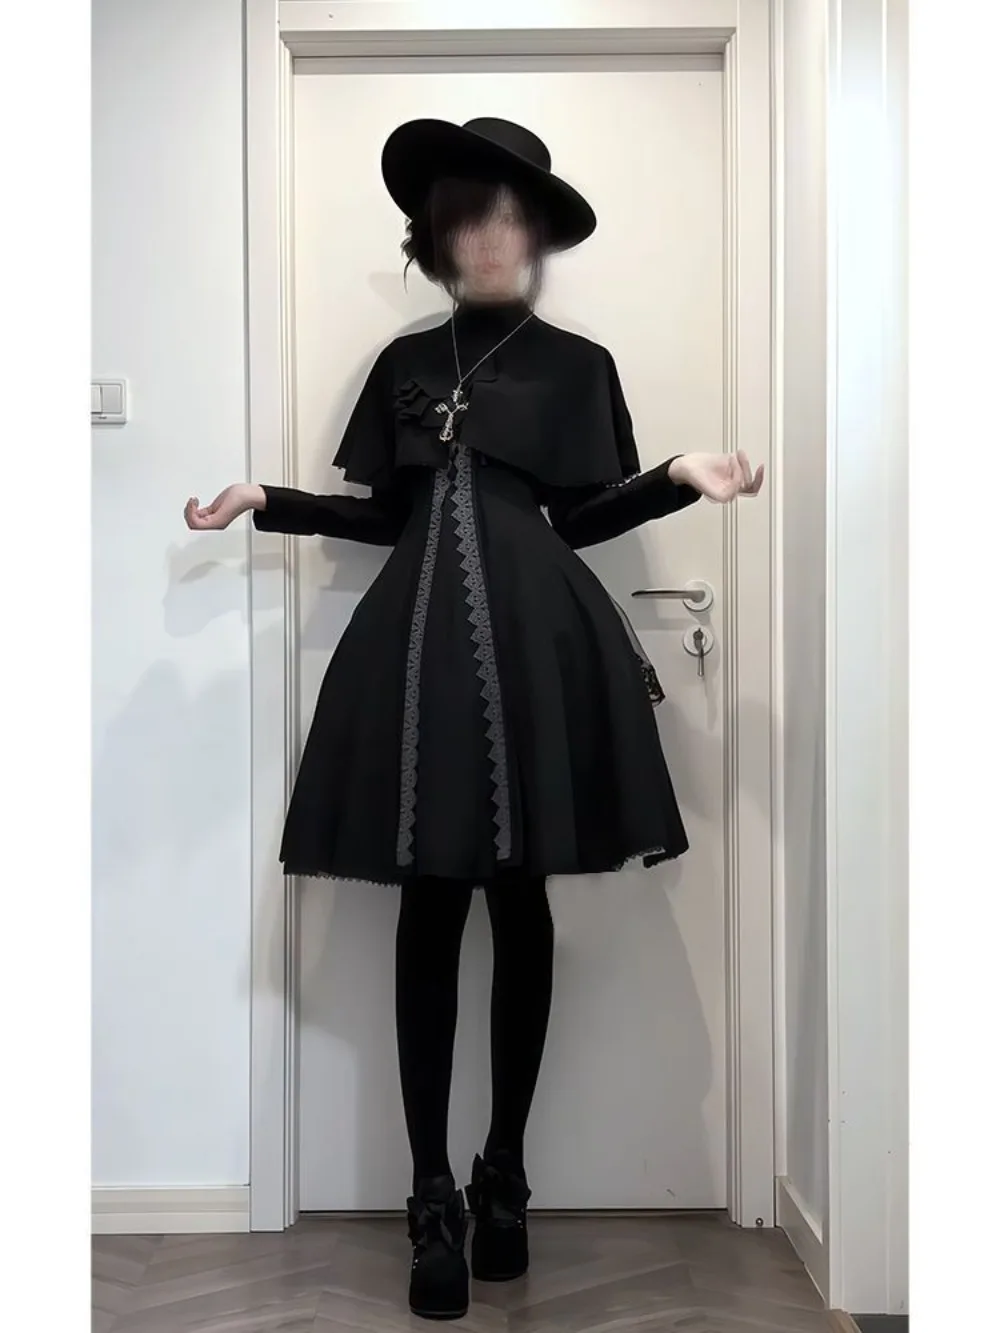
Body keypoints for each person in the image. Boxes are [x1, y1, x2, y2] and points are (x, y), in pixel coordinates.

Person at [185, 117, 763, 1320]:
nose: (492, 238)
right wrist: (264, 498)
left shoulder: (578, 364)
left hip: (535, 646)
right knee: (429, 904)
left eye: (512, 219)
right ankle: (430, 1195)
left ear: (537, 236)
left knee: (520, 899)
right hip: (418, 655)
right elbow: (382, 517)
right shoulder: (403, 362)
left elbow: (584, 517)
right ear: (437, 236)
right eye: (470, 218)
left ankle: (506, 1174)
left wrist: (677, 476)